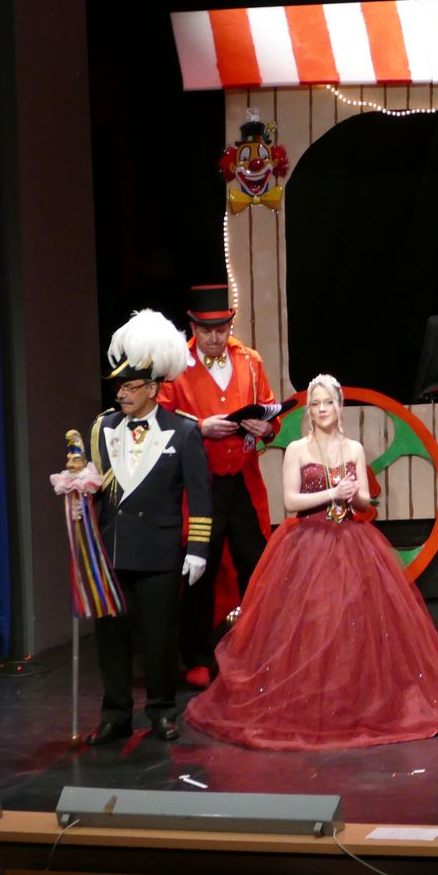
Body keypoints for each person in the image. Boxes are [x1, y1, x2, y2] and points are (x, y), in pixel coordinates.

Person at [185, 374, 438, 748]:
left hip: (351, 539)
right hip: (308, 541)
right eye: (316, 404)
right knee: (312, 619)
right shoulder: (297, 449)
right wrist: (332, 492)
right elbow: (291, 502)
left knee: (355, 620)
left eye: (328, 402)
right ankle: (309, 699)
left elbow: (363, 502)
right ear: (309, 410)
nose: (322, 409)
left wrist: (354, 495)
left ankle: (355, 698)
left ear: (339, 406)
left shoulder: (353, 448)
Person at [87, 309, 212, 744]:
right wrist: (75, 488)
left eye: (130, 386)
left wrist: (197, 549)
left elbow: (200, 495)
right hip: (114, 549)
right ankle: (116, 714)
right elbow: (97, 485)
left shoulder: (183, 432)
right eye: (119, 387)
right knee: (112, 636)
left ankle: (161, 710)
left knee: (159, 638)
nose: (121, 393)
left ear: (153, 389)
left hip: (159, 552)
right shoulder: (103, 428)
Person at [158, 284, 278, 689]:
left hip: (242, 482)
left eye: (221, 330)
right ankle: (197, 655)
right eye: (206, 331)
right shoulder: (177, 365)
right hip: (200, 486)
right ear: (193, 327)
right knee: (200, 568)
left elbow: (271, 410)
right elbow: (162, 421)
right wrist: (199, 427)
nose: (214, 338)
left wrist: (266, 428)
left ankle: (257, 648)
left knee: (255, 564)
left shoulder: (249, 361)